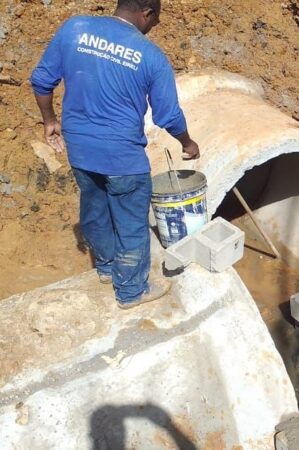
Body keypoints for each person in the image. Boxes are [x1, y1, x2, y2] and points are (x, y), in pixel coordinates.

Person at [30, 0, 200, 309]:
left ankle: (107, 268)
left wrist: (50, 121)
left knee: (95, 208)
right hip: (122, 158)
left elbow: (41, 80)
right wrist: (188, 143)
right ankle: (131, 291)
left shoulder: (75, 29)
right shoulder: (150, 56)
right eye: (156, 18)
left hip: (80, 150)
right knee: (132, 223)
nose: (156, 25)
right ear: (146, 12)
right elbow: (169, 115)